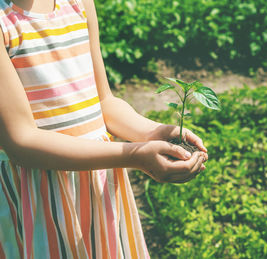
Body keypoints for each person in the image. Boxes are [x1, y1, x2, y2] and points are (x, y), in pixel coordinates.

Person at [0, 0, 207, 257]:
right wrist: (133, 155)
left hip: (97, 184)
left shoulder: (78, 3)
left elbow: (104, 102)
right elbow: (21, 141)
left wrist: (152, 133)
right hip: (37, 194)